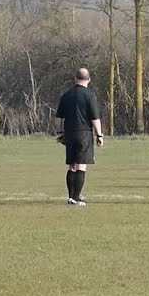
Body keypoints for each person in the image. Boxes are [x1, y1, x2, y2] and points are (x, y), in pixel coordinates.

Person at [55, 66, 103, 205]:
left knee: (72, 165)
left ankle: (71, 196)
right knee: (81, 165)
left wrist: (60, 132)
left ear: (75, 79)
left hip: (69, 133)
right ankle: (76, 198)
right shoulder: (90, 95)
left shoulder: (66, 95)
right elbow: (95, 117)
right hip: (84, 134)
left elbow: (58, 117)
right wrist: (99, 135)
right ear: (89, 80)